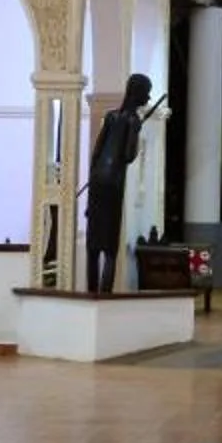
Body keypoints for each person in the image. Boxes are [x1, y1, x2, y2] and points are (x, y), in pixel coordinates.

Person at [84, 74, 154, 297]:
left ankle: (90, 292)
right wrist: (135, 131)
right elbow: (128, 155)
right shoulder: (132, 120)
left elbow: (96, 153)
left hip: (96, 181)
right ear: (139, 92)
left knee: (93, 246)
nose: (149, 96)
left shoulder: (111, 116)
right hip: (113, 184)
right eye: (147, 91)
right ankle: (104, 295)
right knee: (110, 247)